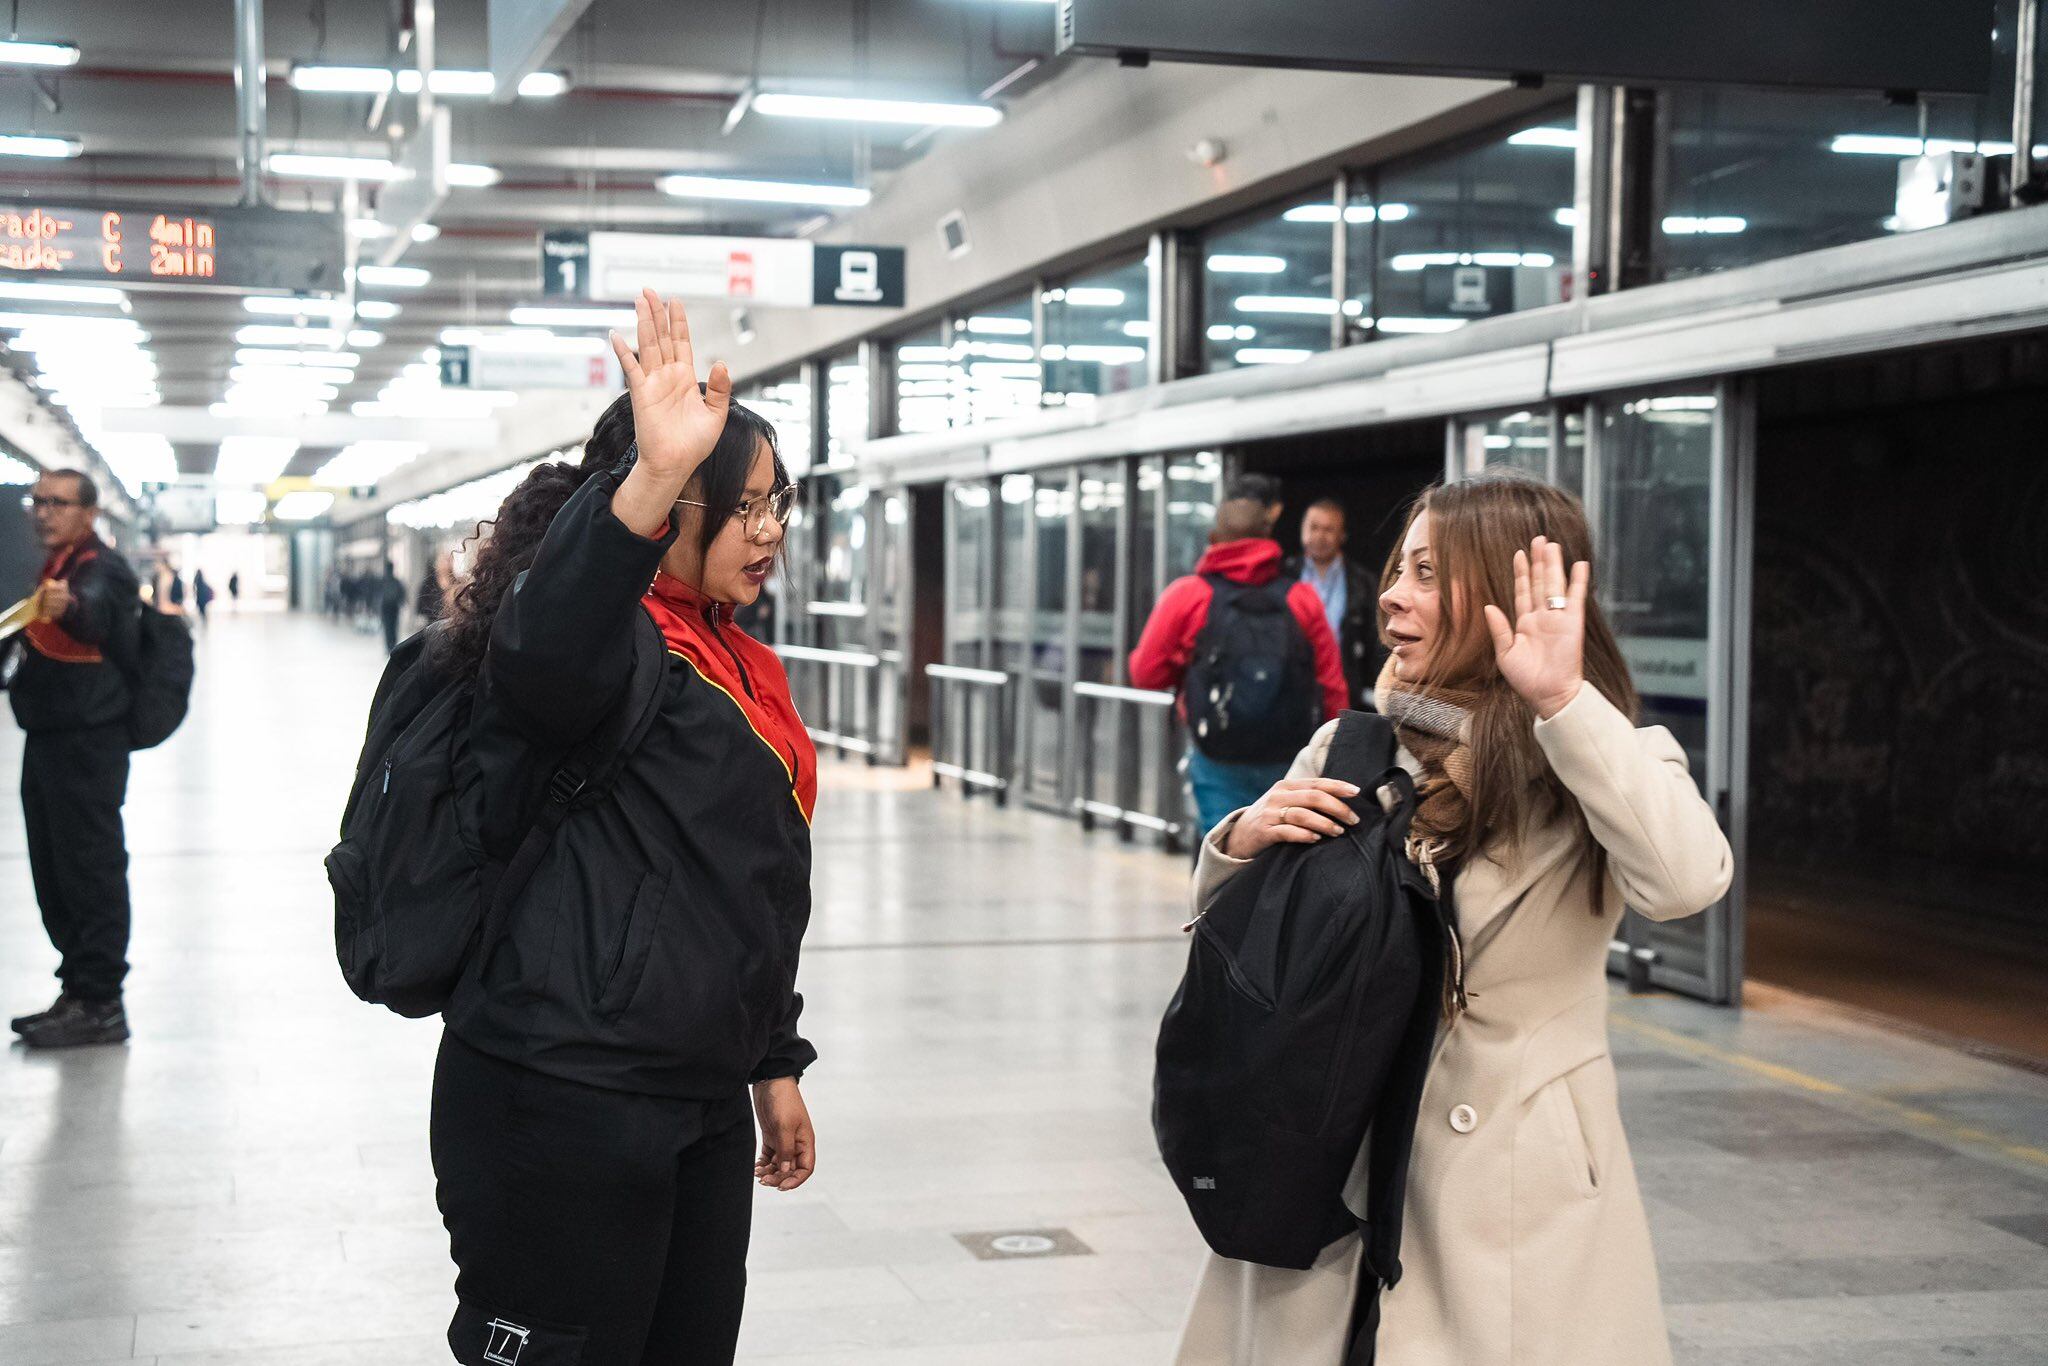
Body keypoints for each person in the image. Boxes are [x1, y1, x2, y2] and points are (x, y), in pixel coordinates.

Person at [1172, 475, 1733, 1366]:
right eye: (1400, 568)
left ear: (1508, 593)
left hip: (1511, 1182)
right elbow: (1250, 952)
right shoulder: (1353, 749)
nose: (1394, 594)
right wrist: (1241, 842)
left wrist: (1562, 702)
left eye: (1429, 574)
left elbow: (1686, 882)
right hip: (1330, 1151)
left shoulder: (1600, 760)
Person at [425, 290, 817, 1366]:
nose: (769, 529)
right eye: (741, 506)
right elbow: (544, 651)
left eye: (777, 502)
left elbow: (746, 885)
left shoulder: (741, 659)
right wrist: (647, 480)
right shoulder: (604, 640)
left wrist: (772, 1061)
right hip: (562, 1096)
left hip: (693, 1094)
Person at [1130, 474, 1348, 836]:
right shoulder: (1302, 598)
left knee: (1221, 847)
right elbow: (1331, 684)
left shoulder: (1188, 595)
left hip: (1216, 753)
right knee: (1281, 852)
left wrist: (1189, 662)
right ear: (1268, 537)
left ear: (1213, 539)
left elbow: (1145, 673)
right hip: (1288, 757)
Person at [7, 470, 142, 1049]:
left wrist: (71, 607)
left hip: (86, 744)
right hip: (50, 738)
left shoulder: (99, 568)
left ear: (89, 513)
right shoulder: (58, 565)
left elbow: (97, 613)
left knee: (88, 870)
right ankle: (79, 990)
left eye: (58, 503)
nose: (43, 512)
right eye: (37, 501)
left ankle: (102, 1003)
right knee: (55, 870)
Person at [1282, 498, 1379, 709]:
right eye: (1313, 527)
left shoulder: (1364, 582)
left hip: (1346, 690)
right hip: (1292, 687)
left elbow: (1374, 642)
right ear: (1302, 530)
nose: (1319, 536)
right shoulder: (1283, 575)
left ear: (1342, 535)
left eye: (1328, 529)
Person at [377, 559, 405, 652]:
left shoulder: (383, 581)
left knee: (388, 627)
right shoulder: (396, 581)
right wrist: (401, 602)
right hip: (393, 607)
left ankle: (389, 646)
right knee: (393, 627)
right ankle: (392, 645)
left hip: (386, 607)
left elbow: (378, 594)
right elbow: (402, 594)